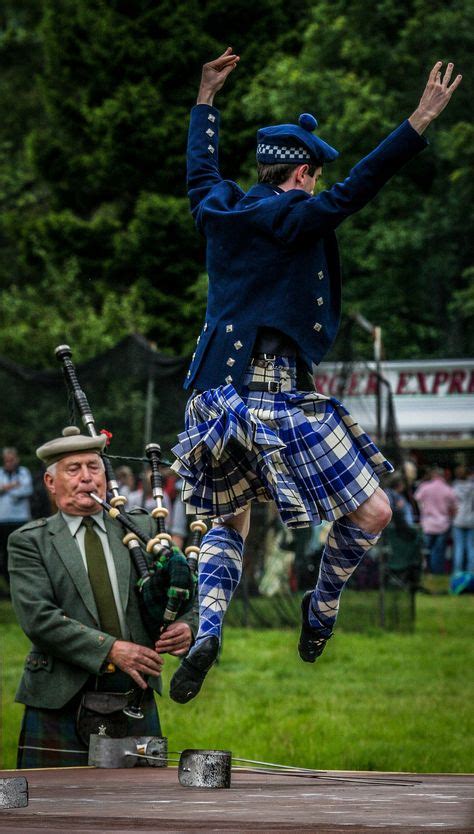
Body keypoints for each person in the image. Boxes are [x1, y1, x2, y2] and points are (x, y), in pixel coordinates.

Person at [169, 49, 462, 703]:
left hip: (214, 400)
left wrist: (205, 99)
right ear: (301, 171)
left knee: (227, 523)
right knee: (376, 509)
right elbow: (358, 186)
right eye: (314, 174)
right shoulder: (295, 215)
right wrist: (416, 122)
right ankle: (322, 607)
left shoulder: (218, 209)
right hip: (277, 397)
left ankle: (209, 628)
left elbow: (199, 173)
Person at [8, 426, 196, 768]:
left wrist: (186, 625)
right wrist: (110, 649)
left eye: (93, 467)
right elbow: (39, 619)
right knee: (52, 811)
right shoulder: (30, 541)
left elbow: (183, 590)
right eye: (73, 469)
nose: (86, 478)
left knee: (141, 808)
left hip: (132, 691)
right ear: (51, 483)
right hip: (59, 697)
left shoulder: (141, 529)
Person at [0, 447, 33, 592]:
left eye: (11, 460)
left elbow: (27, 490)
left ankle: (24, 583)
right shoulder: (1, 473)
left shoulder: (24, 472)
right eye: (6, 461)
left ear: (17, 459)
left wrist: (6, 489)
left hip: (20, 519)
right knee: (4, 553)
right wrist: (13, 486)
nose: (9, 463)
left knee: (21, 552)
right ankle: (8, 584)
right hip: (3, 519)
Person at [414, 466, 458, 574]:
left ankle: (424, 571)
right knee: (438, 551)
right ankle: (437, 572)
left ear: (433, 475)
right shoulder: (448, 489)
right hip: (443, 524)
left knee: (425, 550)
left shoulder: (425, 487)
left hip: (427, 524)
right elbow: (455, 508)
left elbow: (416, 499)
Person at [451, 465, 474, 574]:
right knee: (471, 547)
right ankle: (471, 571)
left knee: (459, 547)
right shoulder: (472, 487)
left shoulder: (454, 487)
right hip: (471, 519)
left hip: (458, 519)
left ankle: (457, 572)